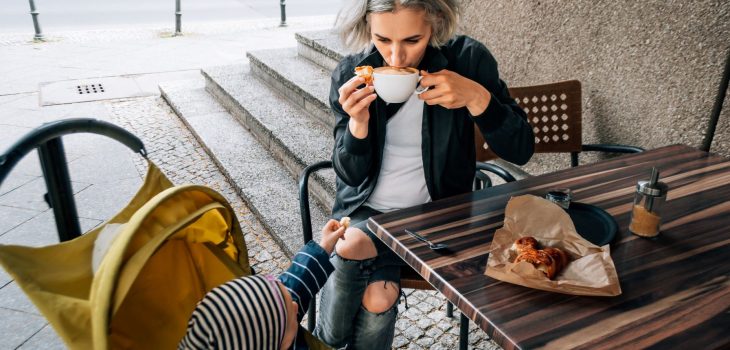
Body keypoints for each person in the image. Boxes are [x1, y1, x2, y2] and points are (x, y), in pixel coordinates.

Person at [314, 0, 535, 348]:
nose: (396, 57)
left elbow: (522, 149)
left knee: (371, 288)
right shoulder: (353, 72)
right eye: (383, 40)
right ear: (367, 28)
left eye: (412, 40)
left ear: (434, 23)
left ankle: (323, 342)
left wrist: (477, 98)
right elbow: (350, 176)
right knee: (374, 289)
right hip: (365, 214)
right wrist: (357, 124)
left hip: (438, 218)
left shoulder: (467, 60)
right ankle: (330, 337)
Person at [178, 219, 346, 350]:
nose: (295, 305)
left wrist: (325, 246)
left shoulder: (273, 323)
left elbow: (294, 284)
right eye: (290, 319)